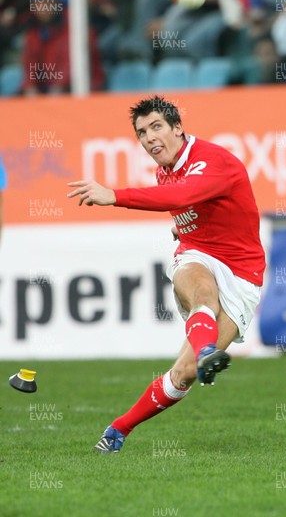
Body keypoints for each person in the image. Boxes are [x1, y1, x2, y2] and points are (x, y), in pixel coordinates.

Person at [67, 96, 266, 453]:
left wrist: (114, 195)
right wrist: (180, 229)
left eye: (156, 127)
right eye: (142, 132)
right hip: (197, 256)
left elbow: (185, 193)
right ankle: (207, 349)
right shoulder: (165, 169)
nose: (148, 138)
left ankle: (118, 427)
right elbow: (187, 205)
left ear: (178, 128)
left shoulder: (212, 160)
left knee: (184, 374)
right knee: (201, 290)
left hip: (242, 273)